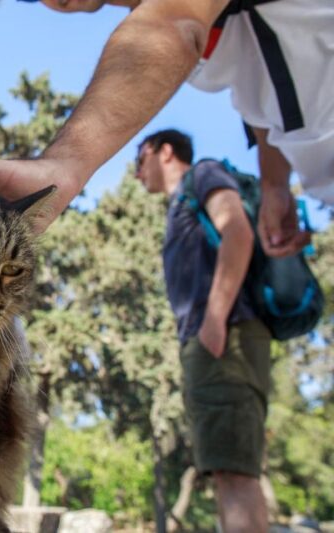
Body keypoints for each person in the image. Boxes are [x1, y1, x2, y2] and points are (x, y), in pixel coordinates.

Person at [0, 0, 332, 257]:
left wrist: (63, 166)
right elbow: (259, 94)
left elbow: (176, 23)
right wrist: (274, 185)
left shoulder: (174, 18)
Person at [135, 129, 271, 533]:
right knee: (224, 470)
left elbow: (238, 231)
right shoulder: (180, 203)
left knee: (234, 473)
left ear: (165, 152)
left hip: (223, 339)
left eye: (138, 160)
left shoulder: (204, 174)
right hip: (209, 343)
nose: (136, 173)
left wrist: (214, 321)